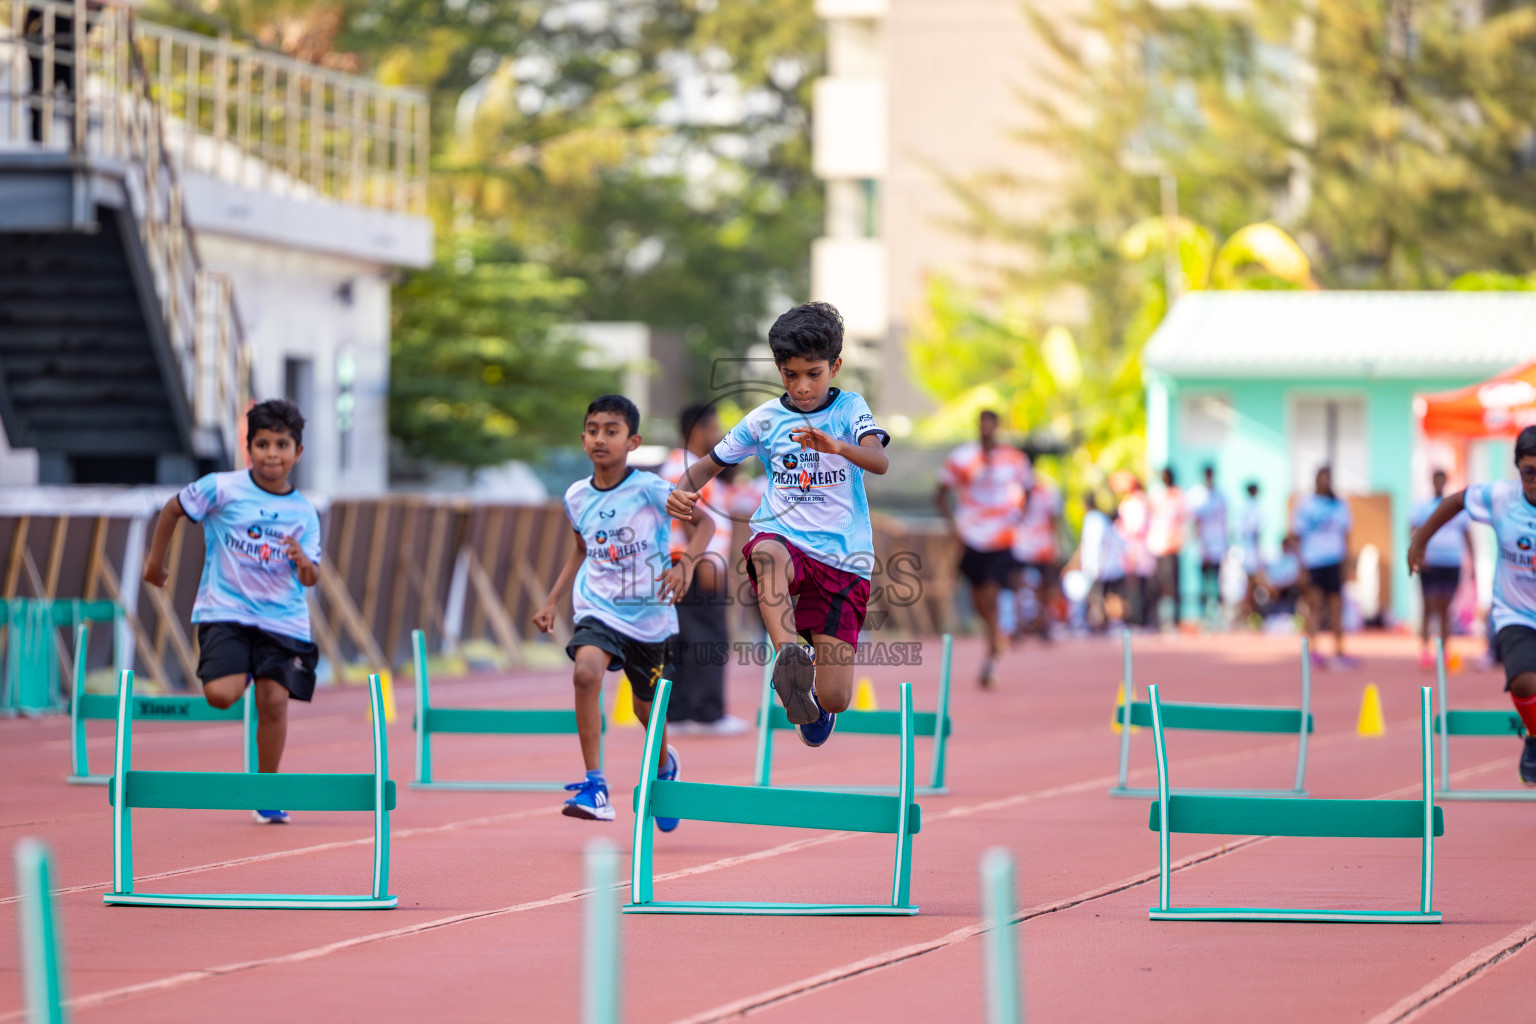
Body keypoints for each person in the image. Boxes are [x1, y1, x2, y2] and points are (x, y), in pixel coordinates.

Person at [668, 301, 890, 746]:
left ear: (835, 366)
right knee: (766, 553)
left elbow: (880, 461)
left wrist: (837, 447)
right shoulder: (764, 419)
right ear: (778, 369)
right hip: (785, 538)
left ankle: (812, 695)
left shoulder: (850, 409)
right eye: (791, 375)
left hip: (843, 560)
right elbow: (707, 465)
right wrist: (680, 489)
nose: (803, 387)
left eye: (814, 373)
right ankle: (789, 656)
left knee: (836, 697)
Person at [533, 395, 714, 824]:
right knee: (585, 672)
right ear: (582, 439)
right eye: (593, 430)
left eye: (611, 431)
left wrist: (685, 565)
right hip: (597, 607)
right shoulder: (576, 497)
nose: (601, 438)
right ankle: (595, 785)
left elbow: (706, 523)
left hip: (649, 618)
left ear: (632, 441)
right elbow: (581, 550)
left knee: (645, 710)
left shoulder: (651, 490)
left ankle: (665, 767)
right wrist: (551, 599)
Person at [140, 399, 321, 825]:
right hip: (226, 611)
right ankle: (252, 668)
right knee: (221, 695)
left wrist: (302, 562)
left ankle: (267, 791)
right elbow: (173, 509)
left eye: (281, 444)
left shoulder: (305, 513)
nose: (271, 454)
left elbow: (312, 577)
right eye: (262, 444)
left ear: (298, 452)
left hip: (283, 619)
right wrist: (155, 562)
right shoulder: (221, 488)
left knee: (274, 704)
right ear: (249, 448)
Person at [1409, 426, 1536, 785]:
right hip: (1516, 612)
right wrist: (1420, 541)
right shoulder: (1501, 498)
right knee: (1525, 681)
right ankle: (1535, 737)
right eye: (1529, 472)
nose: (1535, 481)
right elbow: (1456, 501)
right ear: (1518, 470)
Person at [658, 403, 749, 735]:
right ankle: (707, 711)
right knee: (707, 637)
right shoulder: (682, 468)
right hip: (692, 565)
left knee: (683, 637)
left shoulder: (699, 470)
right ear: (697, 431)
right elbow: (683, 517)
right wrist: (702, 560)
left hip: (685, 563)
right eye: (713, 429)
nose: (718, 436)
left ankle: (680, 711)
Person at [936, 410, 1030, 686]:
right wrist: (952, 523)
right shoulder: (962, 458)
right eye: (982, 425)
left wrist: (1019, 515)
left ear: (997, 427)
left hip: (1002, 537)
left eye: (991, 425)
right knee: (979, 598)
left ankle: (992, 649)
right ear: (978, 427)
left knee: (991, 592)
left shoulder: (1014, 459)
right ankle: (994, 633)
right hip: (971, 536)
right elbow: (940, 493)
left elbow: (1030, 489)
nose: (986, 430)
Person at [1410, 469, 1474, 670]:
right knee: (1428, 606)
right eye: (1435, 480)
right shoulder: (1422, 506)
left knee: (1446, 609)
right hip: (1431, 562)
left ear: (1445, 482)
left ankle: (1444, 650)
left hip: (1451, 561)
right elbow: (1413, 530)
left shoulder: (1454, 507)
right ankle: (1425, 650)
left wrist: (1473, 561)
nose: (1439, 483)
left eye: (1442, 480)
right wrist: (1418, 553)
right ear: (1432, 482)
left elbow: (1467, 535)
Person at [1294, 465, 1356, 668]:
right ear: (1315, 480)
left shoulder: (1339, 504)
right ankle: (1313, 651)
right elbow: (1297, 537)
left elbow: (1347, 535)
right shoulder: (1305, 504)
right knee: (1314, 607)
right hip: (1313, 561)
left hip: (1334, 561)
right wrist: (1301, 567)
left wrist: (1347, 563)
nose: (1325, 481)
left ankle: (1339, 650)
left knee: (1337, 607)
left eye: (1328, 478)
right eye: (1321, 477)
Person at [1011, 471, 1062, 641]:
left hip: (1042, 547)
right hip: (1021, 546)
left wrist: (1056, 545)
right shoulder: (1014, 491)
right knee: (1018, 585)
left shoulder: (1048, 490)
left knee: (1045, 587)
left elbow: (1055, 519)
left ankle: (1042, 623)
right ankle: (1019, 624)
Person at [1146, 467, 1188, 629]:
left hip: (1172, 546)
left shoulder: (1178, 496)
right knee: (1157, 584)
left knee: (1173, 584)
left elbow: (1183, 518)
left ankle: (1175, 619)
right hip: (1157, 546)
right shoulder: (1157, 495)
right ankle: (1157, 619)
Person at [1188, 465, 1229, 622]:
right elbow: (1195, 522)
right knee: (1203, 583)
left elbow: (1224, 521)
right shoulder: (1197, 495)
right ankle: (1203, 615)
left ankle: (1217, 615)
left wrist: (1225, 544)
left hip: (1218, 545)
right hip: (1203, 547)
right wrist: (1200, 546)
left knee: (1217, 582)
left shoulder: (1220, 496)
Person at [1117, 476, 1154, 626]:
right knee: (1133, 584)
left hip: (1138, 547)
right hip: (1130, 546)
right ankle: (1134, 615)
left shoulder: (1140, 502)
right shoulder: (1128, 502)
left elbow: (1138, 526)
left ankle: (1140, 617)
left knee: (1140, 584)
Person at [1078, 491, 1112, 633]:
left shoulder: (1095, 519)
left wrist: (1100, 563)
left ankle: (1101, 620)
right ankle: (1096, 620)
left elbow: (1101, 542)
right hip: (1092, 563)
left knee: (1096, 594)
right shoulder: (1096, 518)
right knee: (1094, 593)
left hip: (1097, 563)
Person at [1259, 534, 1304, 618]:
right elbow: (1269, 575)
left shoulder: (1293, 560)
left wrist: (1282, 585)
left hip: (1289, 589)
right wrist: (1272, 586)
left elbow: (1296, 578)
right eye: (1284, 545)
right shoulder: (1276, 560)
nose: (1285, 547)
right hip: (1275, 588)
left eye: (1287, 545)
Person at [1238, 482, 1264, 620]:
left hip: (1245, 550)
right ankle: (1247, 613)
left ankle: (1249, 613)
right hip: (1251, 551)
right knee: (1251, 584)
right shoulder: (1254, 508)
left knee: (1251, 584)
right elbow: (1256, 532)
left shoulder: (1243, 507)